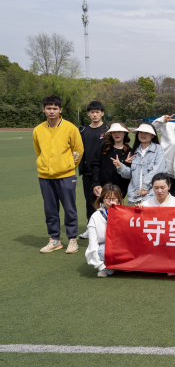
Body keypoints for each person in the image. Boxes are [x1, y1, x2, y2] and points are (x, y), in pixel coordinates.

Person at [35, 96, 84, 254]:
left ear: (60, 110)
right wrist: (45, 165)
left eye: (55, 108)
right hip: (45, 176)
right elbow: (39, 151)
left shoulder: (70, 128)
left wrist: (69, 166)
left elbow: (78, 150)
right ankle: (54, 239)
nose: (52, 111)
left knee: (69, 209)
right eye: (49, 108)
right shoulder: (38, 130)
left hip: (66, 175)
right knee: (50, 209)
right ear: (43, 110)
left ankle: (72, 240)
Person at [117, 123, 167, 207]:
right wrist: (121, 167)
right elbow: (131, 175)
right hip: (135, 197)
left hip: (152, 195)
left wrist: (145, 187)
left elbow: (158, 170)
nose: (143, 135)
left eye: (146, 132)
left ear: (152, 135)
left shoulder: (158, 149)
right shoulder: (134, 152)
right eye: (140, 132)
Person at [78, 100, 108, 236]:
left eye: (97, 112)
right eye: (92, 112)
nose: (95, 114)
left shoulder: (108, 130)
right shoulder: (83, 131)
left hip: (105, 171)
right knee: (90, 201)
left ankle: (107, 227)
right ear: (88, 114)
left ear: (102, 113)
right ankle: (91, 228)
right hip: (88, 172)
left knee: (107, 199)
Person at [85, 183, 124, 277]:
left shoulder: (124, 213)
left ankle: (124, 265)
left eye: (114, 198)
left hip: (122, 245)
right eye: (107, 198)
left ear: (119, 199)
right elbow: (93, 243)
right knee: (102, 251)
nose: (110, 201)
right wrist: (100, 265)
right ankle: (107, 268)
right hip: (105, 245)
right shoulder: (95, 216)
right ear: (102, 199)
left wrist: (116, 211)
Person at [90, 123, 131, 201]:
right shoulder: (103, 148)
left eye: (119, 131)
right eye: (114, 132)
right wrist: (96, 183)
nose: (116, 134)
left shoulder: (130, 152)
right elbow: (95, 164)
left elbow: (130, 174)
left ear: (125, 133)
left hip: (119, 191)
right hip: (101, 189)